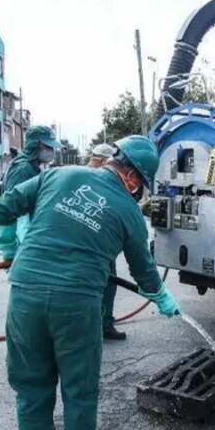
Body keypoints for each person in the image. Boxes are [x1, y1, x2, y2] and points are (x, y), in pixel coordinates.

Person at [0, 135, 180, 430]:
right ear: (133, 178)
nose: (138, 191)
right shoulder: (128, 211)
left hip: (25, 294)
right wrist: (162, 298)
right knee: (79, 392)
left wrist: (9, 250)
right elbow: (144, 271)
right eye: (140, 185)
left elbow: (4, 206)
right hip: (76, 303)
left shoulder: (57, 175)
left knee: (31, 390)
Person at [87, 144, 127, 341]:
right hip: (94, 245)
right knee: (99, 286)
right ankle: (98, 326)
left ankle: (101, 325)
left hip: (97, 244)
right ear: (103, 161)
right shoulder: (95, 179)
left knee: (105, 285)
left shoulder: (87, 177)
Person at [1, 125, 62, 244]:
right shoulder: (22, 169)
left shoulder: (33, 168)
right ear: (37, 145)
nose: (52, 151)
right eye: (48, 146)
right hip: (22, 236)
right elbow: (13, 205)